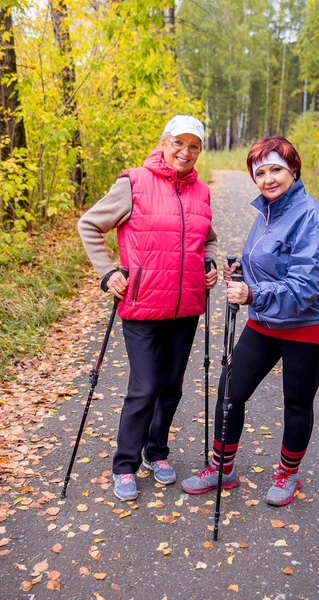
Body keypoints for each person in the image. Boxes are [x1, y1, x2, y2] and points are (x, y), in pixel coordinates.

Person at [182, 135, 319, 506]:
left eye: (276, 170)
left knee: (297, 403)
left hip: (310, 324)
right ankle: (223, 469)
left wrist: (253, 294)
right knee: (230, 390)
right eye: (261, 172)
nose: (268, 179)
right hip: (267, 320)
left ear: (293, 170)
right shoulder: (268, 212)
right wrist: (242, 268)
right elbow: (271, 262)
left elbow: (306, 286)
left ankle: (288, 475)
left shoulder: (314, 218)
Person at [78, 115, 218, 502]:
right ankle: (125, 464)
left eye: (194, 146)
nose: (185, 152)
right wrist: (107, 273)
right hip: (141, 306)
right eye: (178, 143)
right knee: (144, 388)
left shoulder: (201, 192)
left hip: (186, 307)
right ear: (163, 142)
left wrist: (209, 265)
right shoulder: (134, 183)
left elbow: (208, 238)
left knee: (171, 387)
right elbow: (89, 225)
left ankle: (156, 453)